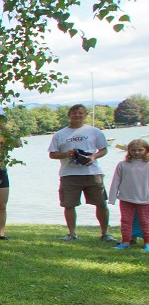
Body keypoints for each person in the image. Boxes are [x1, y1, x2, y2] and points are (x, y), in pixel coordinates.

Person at [48, 104, 116, 242]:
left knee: (101, 203)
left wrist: (92, 157)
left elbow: (103, 149)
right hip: (69, 174)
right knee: (69, 204)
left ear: (85, 115)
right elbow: (52, 154)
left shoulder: (94, 131)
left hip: (92, 173)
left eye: (80, 113)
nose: (77, 115)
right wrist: (66, 154)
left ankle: (105, 233)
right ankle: (72, 234)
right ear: (69, 115)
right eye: (74, 113)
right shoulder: (60, 134)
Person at [108, 138, 149, 250]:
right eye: (133, 150)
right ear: (129, 151)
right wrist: (112, 198)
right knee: (126, 221)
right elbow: (116, 181)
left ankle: (147, 243)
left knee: (145, 222)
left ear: (146, 150)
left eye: (140, 150)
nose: (136, 152)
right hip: (126, 199)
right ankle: (125, 242)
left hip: (145, 199)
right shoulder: (122, 165)